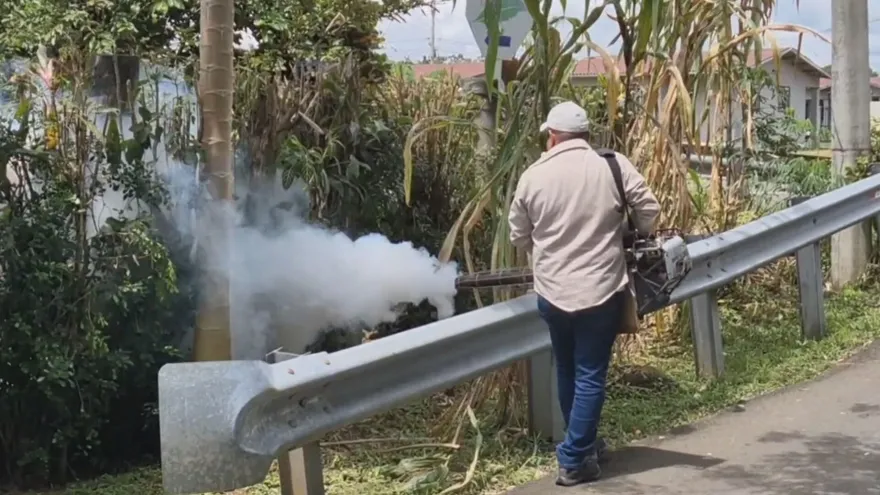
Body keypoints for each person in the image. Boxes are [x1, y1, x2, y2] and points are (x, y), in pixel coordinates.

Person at [508, 101, 660, 486]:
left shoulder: (533, 175)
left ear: (552, 136)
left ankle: (584, 445)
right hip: (601, 288)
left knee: (567, 368)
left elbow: (518, 235)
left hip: (552, 291)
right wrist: (634, 234)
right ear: (586, 135)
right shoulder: (612, 165)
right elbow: (649, 209)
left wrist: (546, 249)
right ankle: (575, 458)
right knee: (590, 372)